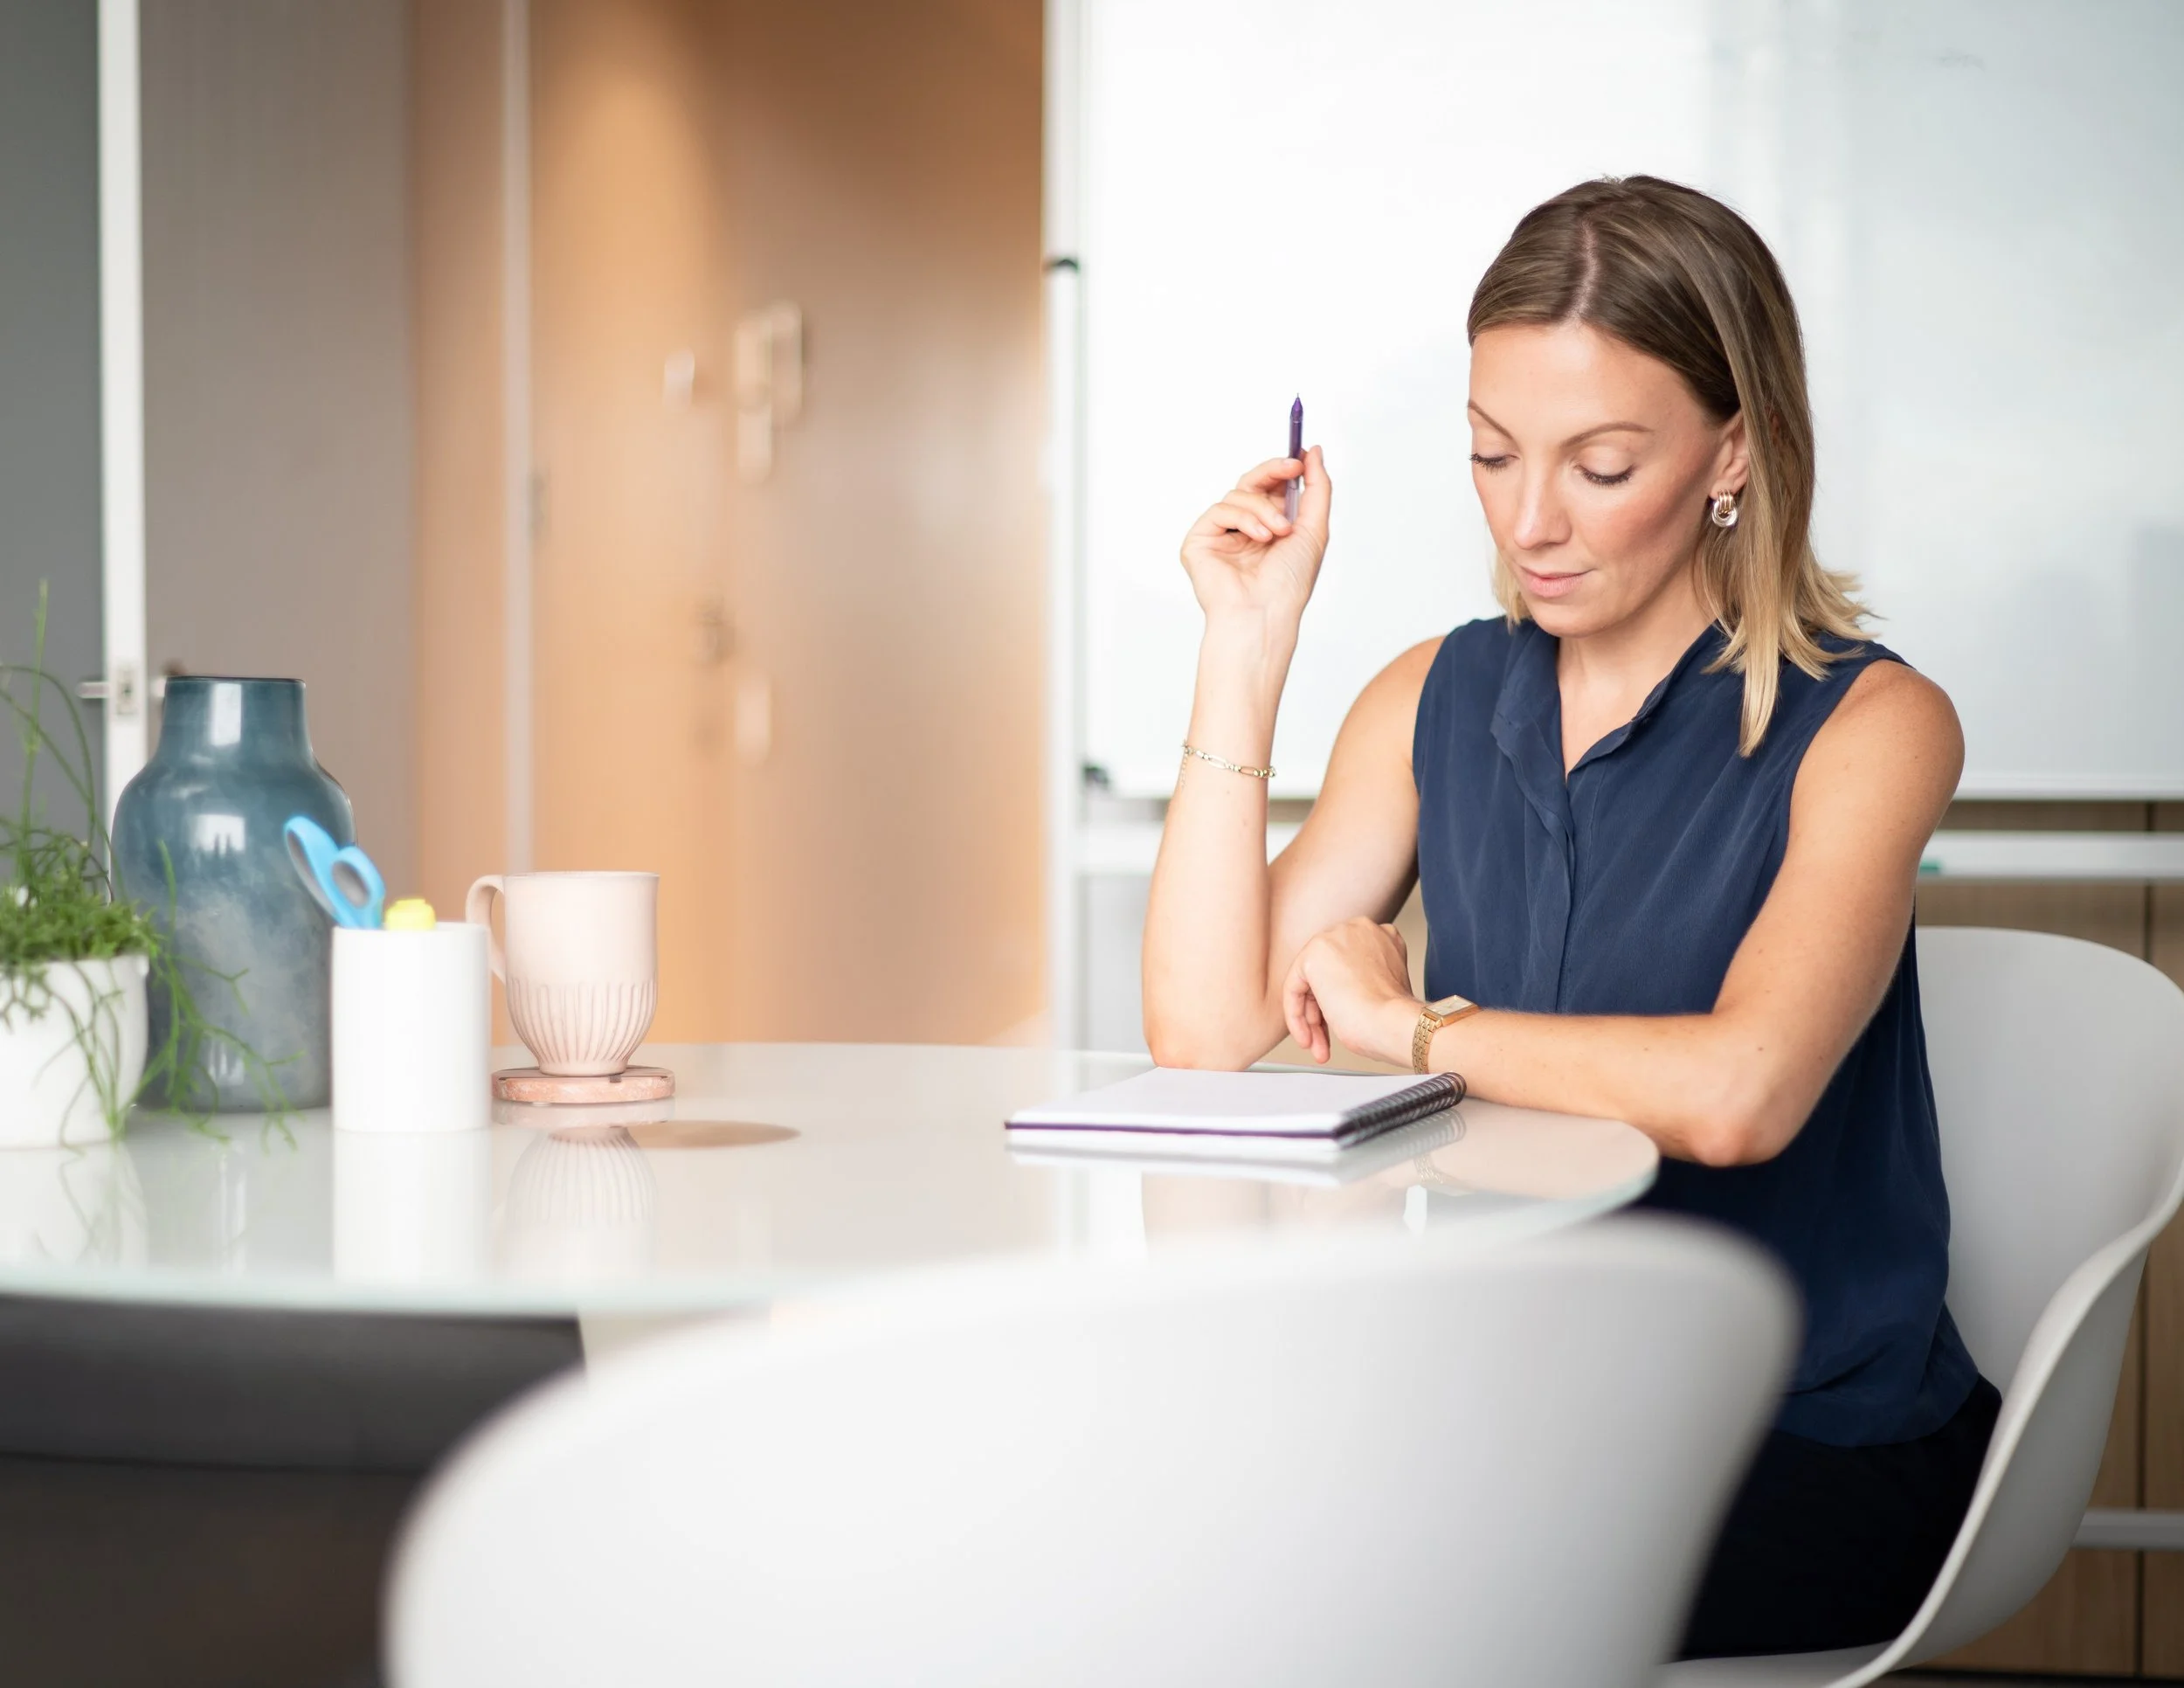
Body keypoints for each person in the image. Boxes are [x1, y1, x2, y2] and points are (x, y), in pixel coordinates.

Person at [1140, 176, 2000, 1658]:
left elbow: (1738, 1095)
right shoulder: (1436, 696)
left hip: (1798, 1428)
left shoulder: (1875, 725)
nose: (1530, 520)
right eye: (1492, 455)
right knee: (1199, 1517)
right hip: (1520, 1401)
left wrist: (1414, 1030)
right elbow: (1207, 1031)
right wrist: (1245, 645)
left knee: (1365, 1593)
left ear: (1734, 450)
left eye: (1601, 466)